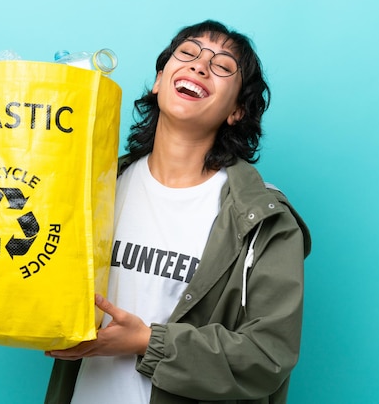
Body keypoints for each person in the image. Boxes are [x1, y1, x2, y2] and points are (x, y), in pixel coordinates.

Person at [44, 20, 312, 404]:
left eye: (222, 66)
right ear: (159, 80)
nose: (200, 65)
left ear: (237, 110)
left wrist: (144, 341)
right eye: (187, 53)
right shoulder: (95, 186)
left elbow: (267, 356)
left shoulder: (264, 220)